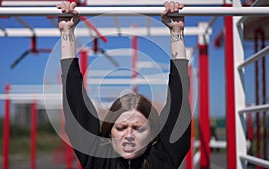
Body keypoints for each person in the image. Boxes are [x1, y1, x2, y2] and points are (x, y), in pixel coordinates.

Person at [58, 1, 191, 168]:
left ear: (152, 134)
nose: (129, 135)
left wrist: (176, 32)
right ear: (109, 132)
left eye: (138, 128)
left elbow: (178, 105)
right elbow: (75, 101)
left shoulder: (162, 161)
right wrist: (67, 31)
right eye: (121, 128)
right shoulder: (98, 160)